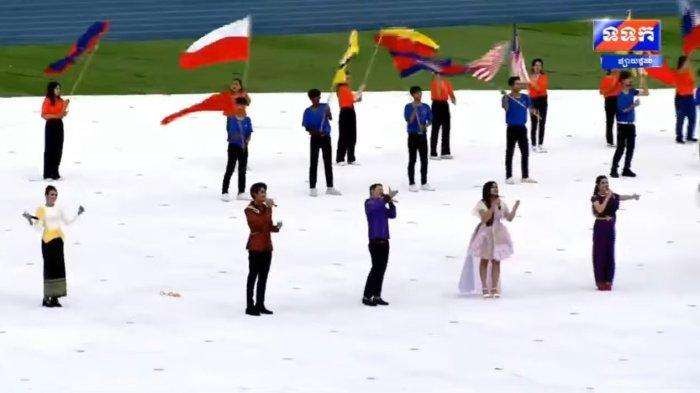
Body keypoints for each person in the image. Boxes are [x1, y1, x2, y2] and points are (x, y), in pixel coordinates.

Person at [22, 186, 84, 307]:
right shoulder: (41, 209)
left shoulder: (58, 209)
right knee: (49, 268)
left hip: (59, 241)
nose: (54, 197)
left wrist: (78, 214)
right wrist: (30, 220)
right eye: (51, 194)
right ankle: (46, 297)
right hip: (47, 241)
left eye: (55, 195)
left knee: (59, 269)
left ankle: (55, 297)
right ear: (46, 195)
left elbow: (67, 222)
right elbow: (38, 227)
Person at [459, 181, 519, 298]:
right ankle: (484, 287)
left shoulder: (501, 203)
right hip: (486, 233)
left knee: (496, 261)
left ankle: (495, 287)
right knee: (485, 259)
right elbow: (485, 218)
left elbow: (509, 217)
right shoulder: (482, 204)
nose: (495, 189)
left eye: (496, 187)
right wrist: (492, 207)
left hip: (498, 233)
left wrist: (515, 209)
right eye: (493, 188)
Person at [590, 175, 639, 291]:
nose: (605, 185)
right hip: (600, 227)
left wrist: (632, 196)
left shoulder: (612, 195)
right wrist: (607, 198)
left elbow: (621, 197)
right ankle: (600, 280)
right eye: (602, 183)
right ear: (598, 185)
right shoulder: (595, 197)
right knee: (600, 253)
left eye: (606, 182)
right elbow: (600, 209)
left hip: (610, 227)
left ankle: (608, 280)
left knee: (609, 252)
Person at [244, 183, 282, 316]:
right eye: (261, 192)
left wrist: (276, 227)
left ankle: (260, 303)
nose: (264, 194)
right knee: (253, 276)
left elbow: (267, 225)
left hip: (266, 246)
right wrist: (269, 209)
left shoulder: (265, 208)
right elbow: (258, 224)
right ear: (254, 194)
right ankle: (250, 305)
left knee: (263, 277)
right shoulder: (249, 209)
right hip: (255, 247)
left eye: (264, 191)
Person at [363, 184, 397, 306]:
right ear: (372, 191)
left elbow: (392, 215)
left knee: (381, 269)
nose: (381, 192)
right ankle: (367, 296)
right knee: (375, 269)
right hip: (375, 242)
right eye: (379, 190)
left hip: (385, 241)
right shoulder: (369, 203)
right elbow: (375, 207)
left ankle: (377, 295)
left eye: (382, 190)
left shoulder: (381, 205)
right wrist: (385, 200)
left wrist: (391, 203)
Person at [302, 89, 341, 197]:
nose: (318, 99)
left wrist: (328, 113)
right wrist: (315, 132)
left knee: (327, 162)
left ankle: (330, 187)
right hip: (315, 138)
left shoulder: (325, 107)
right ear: (311, 99)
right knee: (313, 162)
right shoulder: (307, 111)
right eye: (316, 97)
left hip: (325, 138)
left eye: (319, 97)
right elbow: (306, 126)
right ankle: (312, 188)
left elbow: (330, 118)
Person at [610, 70, 649, 178]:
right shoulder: (618, 94)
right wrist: (634, 105)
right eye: (628, 79)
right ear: (622, 81)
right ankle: (614, 169)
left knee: (631, 148)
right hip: (622, 125)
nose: (630, 81)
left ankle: (626, 168)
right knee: (621, 148)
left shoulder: (632, 91)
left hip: (631, 124)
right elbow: (622, 110)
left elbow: (646, 93)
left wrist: (644, 79)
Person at [502, 76, 538, 184]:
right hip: (512, 128)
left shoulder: (525, 97)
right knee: (510, 152)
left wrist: (534, 111)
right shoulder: (507, 98)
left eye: (520, 83)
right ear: (512, 86)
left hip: (522, 128)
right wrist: (505, 98)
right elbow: (505, 107)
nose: (520, 85)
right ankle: (509, 176)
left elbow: (531, 109)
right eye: (517, 84)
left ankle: (525, 176)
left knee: (525, 152)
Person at [404, 86, 435, 192]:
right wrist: (414, 110)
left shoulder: (426, 107)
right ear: (412, 95)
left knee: (424, 160)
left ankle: (424, 182)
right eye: (417, 93)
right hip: (413, 136)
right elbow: (409, 120)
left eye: (420, 93)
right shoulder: (408, 107)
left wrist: (425, 126)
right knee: (412, 160)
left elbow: (430, 120)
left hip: (423, 136)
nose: (419, 95)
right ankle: (412, 183)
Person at [221, 97, 253, 201]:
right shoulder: (231, 118)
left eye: (244, 105)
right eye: (239, 104)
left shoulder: (248, 120)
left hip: (243, 147)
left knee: (242, 169)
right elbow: (229, 130)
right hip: (233, 146)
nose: (242, 107)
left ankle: (241, 192)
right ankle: (225, 191)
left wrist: (246, 141)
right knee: (230, 168)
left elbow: (249, 133)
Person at [41, 82, 69, 180]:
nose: (58, 90)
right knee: (50, 149)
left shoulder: (60, 100)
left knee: (58, 149)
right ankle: (47, 173)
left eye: (59, 89)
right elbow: (44, 114)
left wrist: (65, 107)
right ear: (51, 89)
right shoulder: (47, 100)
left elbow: (61, 113)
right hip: (50, 125)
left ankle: (55, 172)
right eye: (56, 89)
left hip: (59, 125)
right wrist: (57, 116)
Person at [335, 72, 364, 165]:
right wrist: (358, 93)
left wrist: (360, 91)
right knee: (344, 135)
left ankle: (351, 158)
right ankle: (340, 158)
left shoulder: (347, 88)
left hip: (351, 111)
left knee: (352, 135)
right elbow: (353, 99)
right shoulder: (341, 88)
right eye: (347, 78)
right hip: (345, 112)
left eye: (349, 78)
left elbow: (358, 99)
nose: (349, 80)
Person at [429, 73, 456, 159]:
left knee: (446, 128)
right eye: (438, 74)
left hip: (444, 105)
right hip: (436, 105)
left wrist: (452, 97)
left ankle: (445, 152)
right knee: (435, 128)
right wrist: (435, 75)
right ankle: (433, 153)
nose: (440, 76)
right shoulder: (434, 83)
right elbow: (437, 91)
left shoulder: (446, 82)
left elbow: (450, 91)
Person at [673, 56, 697, 144]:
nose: (689, 64)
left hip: (690, 98)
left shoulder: (689, 72)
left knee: (692, 118)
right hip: (681, 99)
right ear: (683, 63)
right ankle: (679, 137)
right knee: (680, 119)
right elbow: (681, 85)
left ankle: (689, 136)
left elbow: (693, 83)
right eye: (687, 62)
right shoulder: (677, 73)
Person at [528, 58, 549, 153]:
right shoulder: (529, 77)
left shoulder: (544, 76)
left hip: (543, 101)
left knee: (542, 122)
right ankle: (533, 144)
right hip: (533, 101)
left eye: (539, 65)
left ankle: (540, 144)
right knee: (534, 123)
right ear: (533, 66)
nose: (538, 67)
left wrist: (534, 84)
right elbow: (530, 89)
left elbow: (542, 88)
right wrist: (533, 84)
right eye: (536, 65)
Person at [599, 69, 622, 147]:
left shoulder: (606, 79)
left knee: (609, 122)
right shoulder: (617, 79)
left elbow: (601, 91)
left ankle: (610, 141)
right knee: (620, 121)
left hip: (609, 101)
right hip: (617, 100)